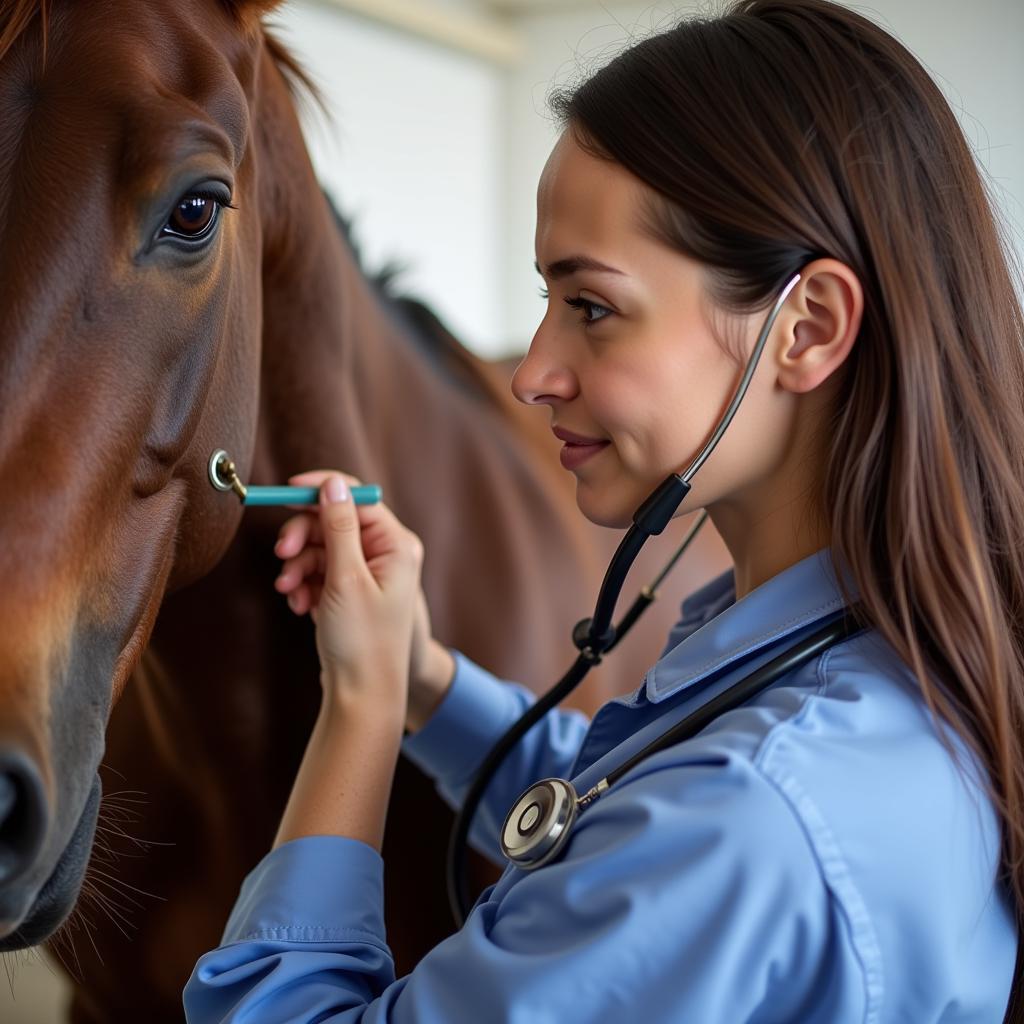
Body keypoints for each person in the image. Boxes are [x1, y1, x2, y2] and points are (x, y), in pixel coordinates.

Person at [183, 0, 1024, 1019]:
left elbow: (677, 839)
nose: (532, 372)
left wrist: (357, 709)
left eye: (590, 308)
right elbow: (612, 813)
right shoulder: (865, 675)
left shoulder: (749, 818)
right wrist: (421, 679)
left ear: (806, 327)